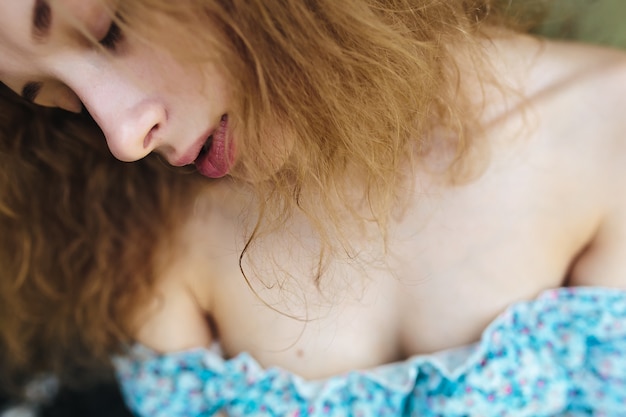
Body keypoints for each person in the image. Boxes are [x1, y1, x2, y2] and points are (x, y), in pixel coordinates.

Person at [1, 0, 626, 415]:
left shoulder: (609, 131)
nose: (121, 137)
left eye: (111, 32)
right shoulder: (127, 224)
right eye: (52, 94)